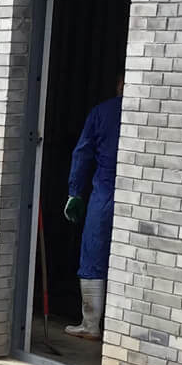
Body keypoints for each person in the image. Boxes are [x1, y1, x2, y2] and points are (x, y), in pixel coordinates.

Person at [63, 76, 124, 339]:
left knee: (94, 255)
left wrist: (74, 193)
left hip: (105, 194)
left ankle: (90, 325)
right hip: (135, 196)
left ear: (119, 84)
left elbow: (83, 153)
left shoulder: (102, 112)